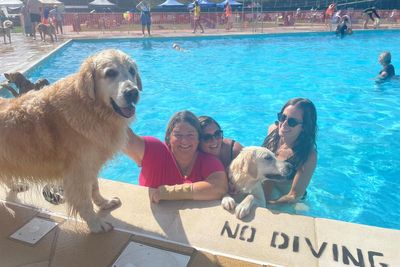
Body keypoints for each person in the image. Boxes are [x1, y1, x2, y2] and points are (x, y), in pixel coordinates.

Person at [124, 111, 228, 203]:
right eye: (178, 135)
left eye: (190, 135)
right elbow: (126, 138)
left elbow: (219, 187)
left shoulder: (207, 161)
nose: (184, 141)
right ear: (169, 137)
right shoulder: (155, 150)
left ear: (198, 139)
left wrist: (169, 193)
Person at [261, 98, 317, 204]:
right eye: (282, 117)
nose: (284, 124)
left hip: (284, 196)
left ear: (304, 127)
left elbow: (294, 195)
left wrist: (268, 205)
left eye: (292, 122)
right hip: (267, 185)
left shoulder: (308, 156)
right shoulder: (272, 130)